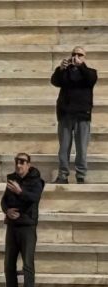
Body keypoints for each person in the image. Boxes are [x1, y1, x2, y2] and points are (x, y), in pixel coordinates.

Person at [52, 47, 96, 184]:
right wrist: (60, 69)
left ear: (84, 57)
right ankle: (63, 176)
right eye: (74, 54)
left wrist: (81, 66)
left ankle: (80, 175)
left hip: (82, 115)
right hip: (65, 114)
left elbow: (90, 80)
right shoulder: (65, 72)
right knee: (64, 148)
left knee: (82, 148)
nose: (76, 56)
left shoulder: (90, 72)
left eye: (79, 54)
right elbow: (55, 82)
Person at [2, 152, 43, 287]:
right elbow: (4, 200)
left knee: (28, 265)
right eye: (17, 162)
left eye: (22, 162)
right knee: (9, 265)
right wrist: (7, 211)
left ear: (28, 165)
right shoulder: (12, 179)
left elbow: (35, 198)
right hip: (12, 227)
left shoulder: (36, 181)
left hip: (27, 227)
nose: (18, 165)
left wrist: (20, 191)